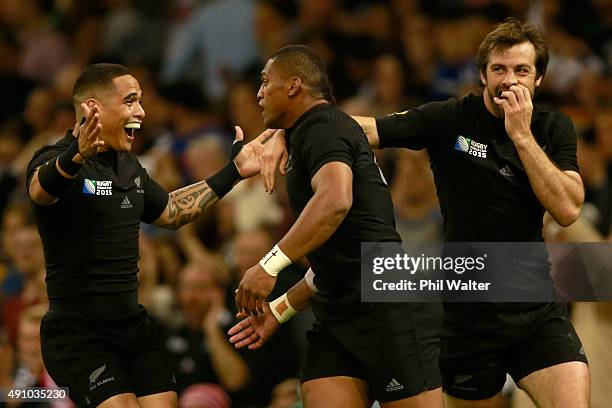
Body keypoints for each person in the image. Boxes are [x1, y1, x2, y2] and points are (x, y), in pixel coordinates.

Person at [259, 19, 589, 408]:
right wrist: (293, 130)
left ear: (539, 79)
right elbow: (363, 129)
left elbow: (567, 208)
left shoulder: (553, 128)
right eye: (498, 69)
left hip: (535, 308)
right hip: (468, 319)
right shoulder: (451, 119)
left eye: (521, 70)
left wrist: (520, 135)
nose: (509, 81)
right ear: (482, 76)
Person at [26, 63, 266, 408]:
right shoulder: (56, 159)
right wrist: (76, 153)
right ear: (92, 109)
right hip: (79, 335)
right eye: (130, 101)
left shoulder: (128, 168)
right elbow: (40, 191)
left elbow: (172, 211)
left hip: (132, 327)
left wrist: (234, 172)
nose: (141, 111)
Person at [233, 45, 443, 407]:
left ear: (295, 86)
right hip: (337, 314)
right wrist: (280, 310)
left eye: (266, 82)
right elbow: (335, 261)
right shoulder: (310, 135)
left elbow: (335, 201)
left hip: (386, 309)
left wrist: (270, 265)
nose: (259, 92)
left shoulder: (323, 128)